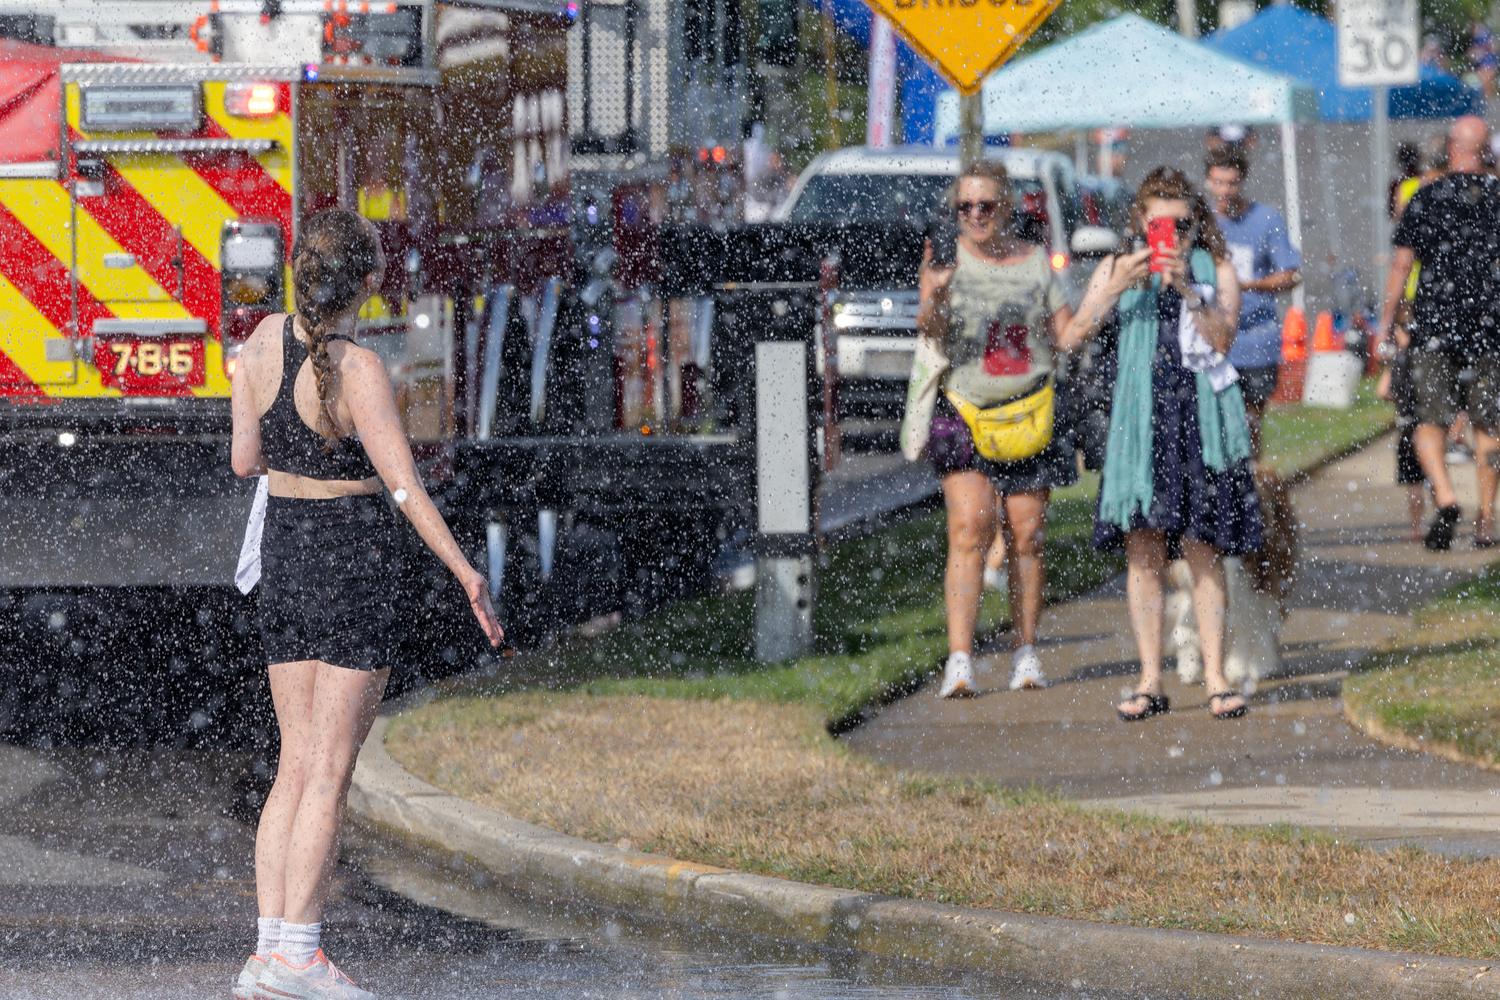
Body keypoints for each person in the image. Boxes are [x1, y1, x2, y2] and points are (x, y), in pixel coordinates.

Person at [229, 210, 503, 1000]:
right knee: (330, 769)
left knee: (294, 761)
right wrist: (464, 572)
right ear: (367, 284)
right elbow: (405, 487)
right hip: (352, 559)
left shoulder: (256, 346)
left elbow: (246, 460)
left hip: (285, 553)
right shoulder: (359, 371)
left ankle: (269, 949)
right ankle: (301, 955)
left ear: (296, 274)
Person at [1066, 167, 1259, 721]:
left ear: (1196, 223)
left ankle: (1217, 677)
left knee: (1204, 551)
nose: (1169, 234)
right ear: (1140, 223)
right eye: (1158, 224)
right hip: (1140, 422)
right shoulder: (1116, 266)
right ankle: (1151, 678)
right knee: (1144, 554)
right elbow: (1073, 334)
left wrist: (1185, 290)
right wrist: (1120, 283)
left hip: (1198, 420)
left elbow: (1223, 340)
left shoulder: (1215, 268)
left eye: (1180, 223)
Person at [914, 159, 1080, 697]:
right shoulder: (944, 260)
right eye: (965, 206)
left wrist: (1105, 293)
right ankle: (959, 662)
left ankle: (1025, 652)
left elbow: (1064, 337)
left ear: (1006, 207)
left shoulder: (1036, 264)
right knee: (968, 530)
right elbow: (931, 331)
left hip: (1028, 409)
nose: (975, 215)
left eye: (986, 205)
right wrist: (935, 293)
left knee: (1026, 537)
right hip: (963, 407)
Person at [1378, 116, 1500, 550]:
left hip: (1433, 327)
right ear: (1485, 150)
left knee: (1428, 419)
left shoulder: (1426, 197)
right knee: (1489, 424)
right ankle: (1486, 522)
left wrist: (1386, 323)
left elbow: (1401, 265)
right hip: (1490, 329)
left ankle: (1446, 497)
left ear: (1452, 146)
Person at [1203, 144, 1302, 457]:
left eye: (1231, 183)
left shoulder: (1265, 219)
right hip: (1212, 339)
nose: (1225, 191)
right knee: (1213, 420)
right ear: (1207, 182)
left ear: (1242, 181)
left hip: (1256, 340)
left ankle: (1249, 486)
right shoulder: (1202, 224)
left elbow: (1291, 275)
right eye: (1218, 182)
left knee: (1250, 422)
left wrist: (1247, 285)